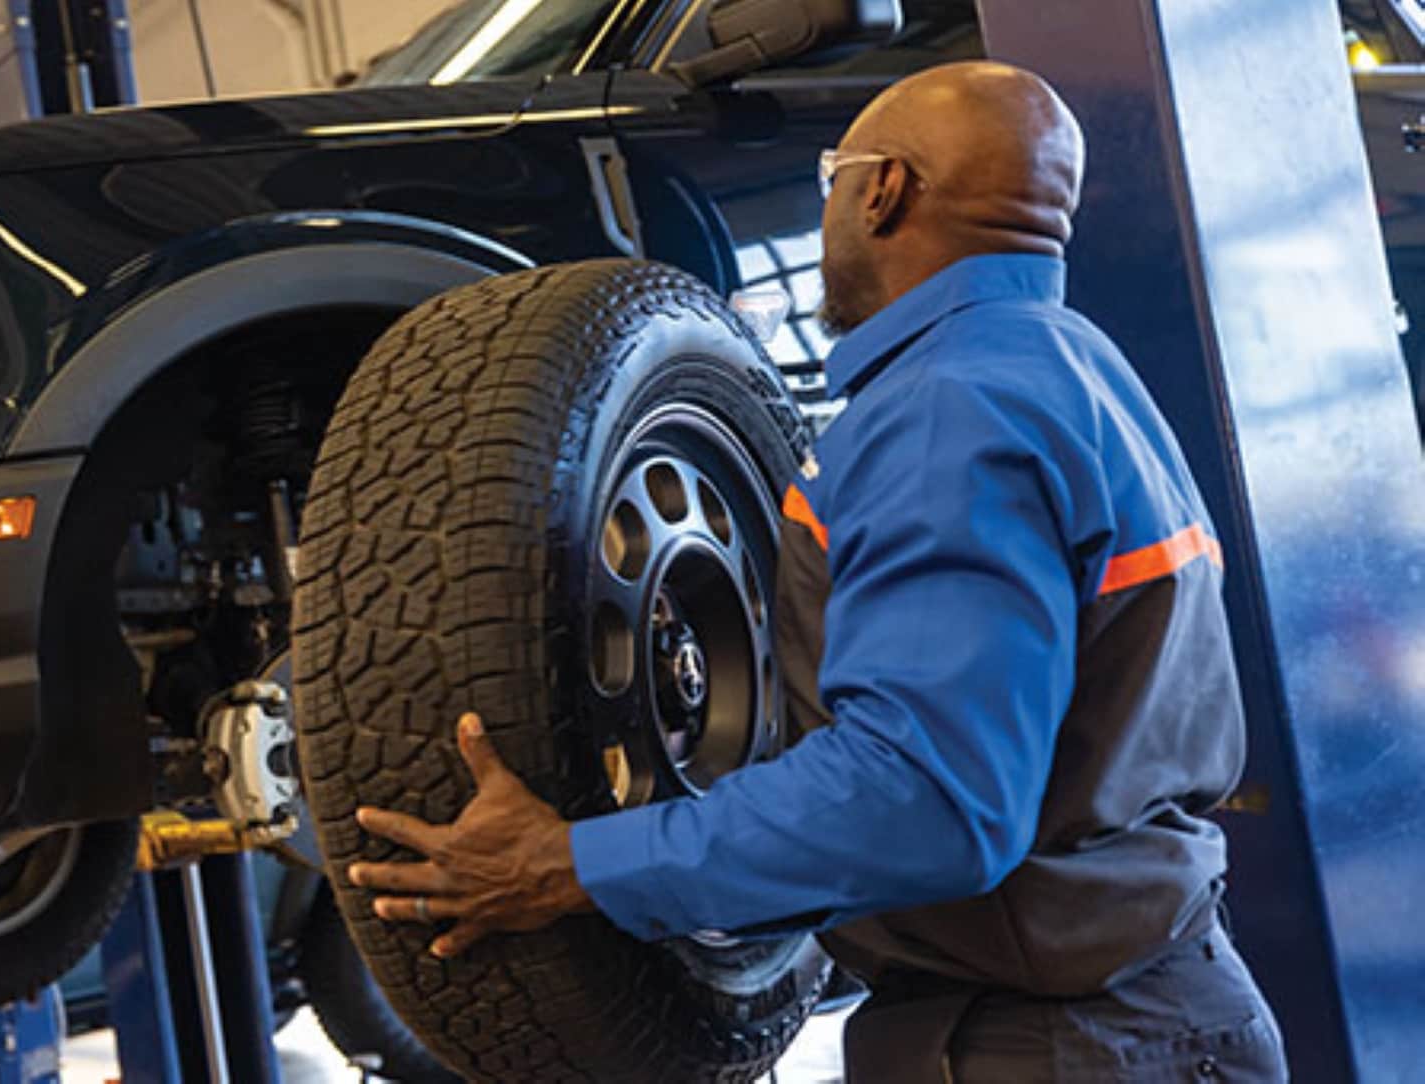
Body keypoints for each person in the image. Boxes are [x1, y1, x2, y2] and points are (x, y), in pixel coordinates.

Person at [344, 60, 1288, 1081]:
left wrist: (570, 863)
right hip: (1145, 1008)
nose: (827, 200)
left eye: (835, 172)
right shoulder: (1072, 367)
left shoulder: (946, 412)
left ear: (884, 190)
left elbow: (926, 797)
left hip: (1061, 1045)